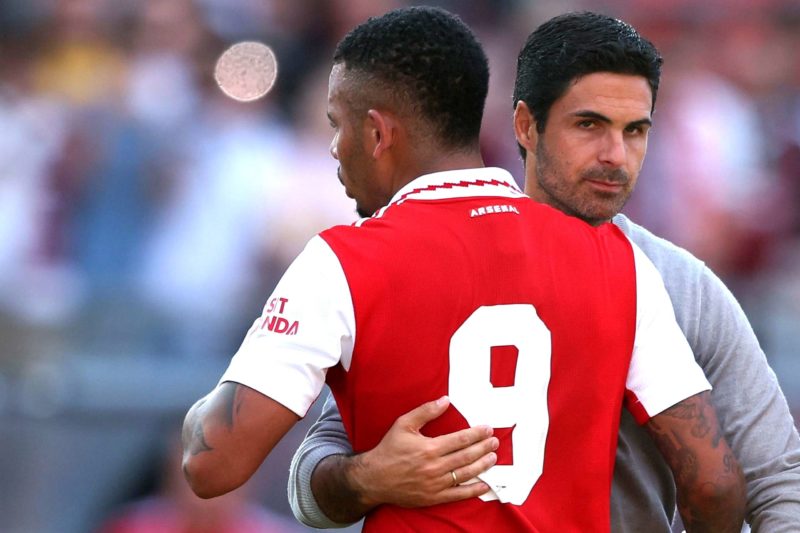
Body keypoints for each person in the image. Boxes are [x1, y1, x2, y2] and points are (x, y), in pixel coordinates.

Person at [182, 7, 744, 531]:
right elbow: (714, 484)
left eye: (338, 125)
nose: (334, 147)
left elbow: (211, 464)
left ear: (378, 133)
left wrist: (362, 477)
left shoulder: (341, 262)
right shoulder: (617, 258)